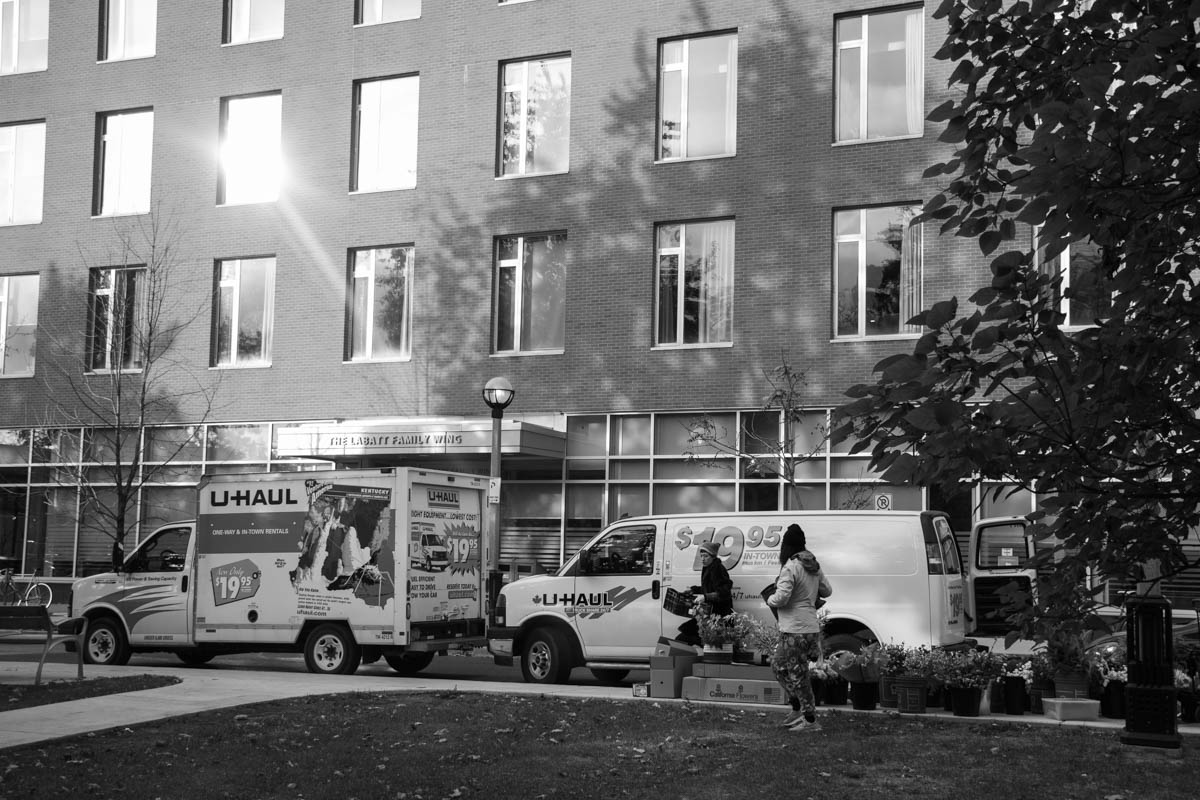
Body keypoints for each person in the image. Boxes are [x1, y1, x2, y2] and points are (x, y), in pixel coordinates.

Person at [766, 523, 832, 733]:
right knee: (778, 666)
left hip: (795, 629)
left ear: (786, 546)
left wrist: (770, 599)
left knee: (798, 674)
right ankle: (797, 707)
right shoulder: (813, 565)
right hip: (808, 627)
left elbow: (782, 597)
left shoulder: (791, 566)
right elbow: (827, 591)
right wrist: (810, 592)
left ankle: (810, 720)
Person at [676, 541, 734, 646]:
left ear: (713, 556)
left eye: (706, 556)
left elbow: (724, 592)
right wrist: (694, 590)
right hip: (709, 615)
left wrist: (705, 597)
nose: (702, 559)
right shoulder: (708, 567)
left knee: (689, 637)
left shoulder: (718, 569)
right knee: (693, 637)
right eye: (701, 556)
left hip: (718, 615)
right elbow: (708, 588)